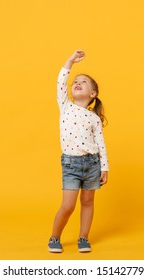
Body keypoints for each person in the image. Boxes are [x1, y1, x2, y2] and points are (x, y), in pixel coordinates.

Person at [48, 49, 109, 253]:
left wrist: (104, 168)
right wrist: (70, 62)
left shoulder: (93, 118)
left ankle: (83, 237)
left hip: (92, 163)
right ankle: (54, 237)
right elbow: (60, 83)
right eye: (76, 81)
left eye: (83, 82)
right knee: (68, 206)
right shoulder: (65, 106)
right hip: (71, 164)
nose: (77, 83)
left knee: (88, 201)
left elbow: (100, 144)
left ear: (92, 94)